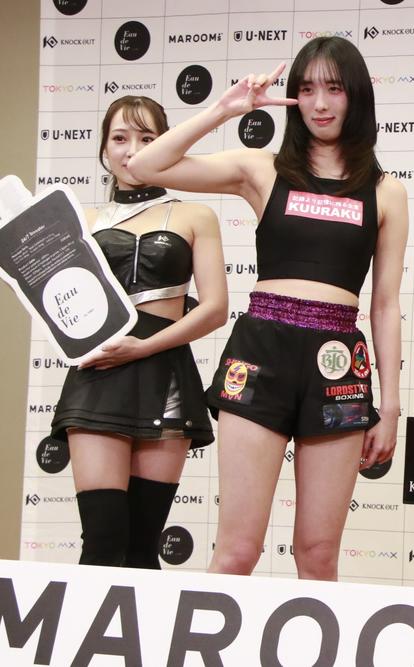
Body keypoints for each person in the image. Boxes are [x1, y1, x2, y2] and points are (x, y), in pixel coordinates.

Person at [128, 36, 407, 580]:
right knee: (237, 551)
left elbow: (386, 304)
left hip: (338, 367)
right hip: (260, 354)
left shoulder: (386, 192)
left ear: (357, 95)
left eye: (334, 89)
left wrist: (390, 406)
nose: (319, 103)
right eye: (307, 89)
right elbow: (144, 166)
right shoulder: (263, 169)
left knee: (318, 554)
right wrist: (224, 110)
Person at [51, 95, 227, 568]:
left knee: (143, 548)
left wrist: (143, 347)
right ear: (104, 149)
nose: (132, 150)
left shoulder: (195, 216)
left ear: (166, 144)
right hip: (99, 376)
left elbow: (215, 309)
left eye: (147, 139)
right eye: (120, 138)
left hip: (165, 375)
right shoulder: (80, 222)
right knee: (103, 541)